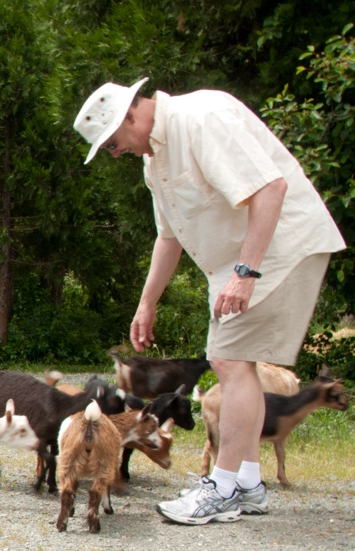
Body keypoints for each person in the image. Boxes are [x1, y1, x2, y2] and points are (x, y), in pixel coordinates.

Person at [73, 78, 346, 525]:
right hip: (240, 266)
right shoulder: (154, 162)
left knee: (228, 362)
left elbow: (270, 190)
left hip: (274, 252)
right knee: (239, 365)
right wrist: (147, 303)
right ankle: (249, 485)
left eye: (112, 142)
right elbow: (169, 235)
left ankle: (222, 488)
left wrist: (245, 273)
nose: (115, 152)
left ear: (129, 116)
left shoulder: (201, 118)